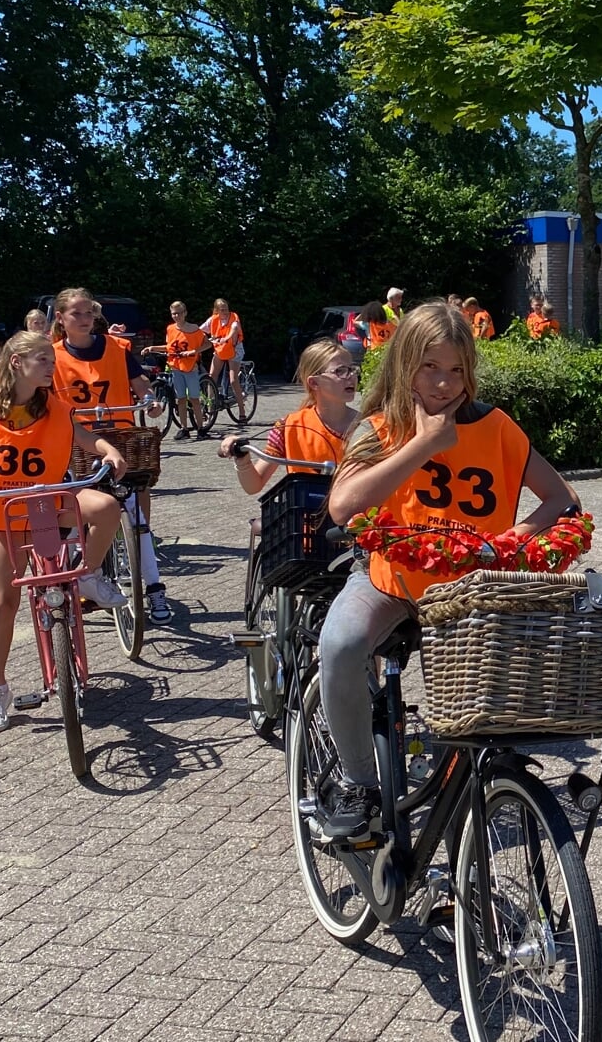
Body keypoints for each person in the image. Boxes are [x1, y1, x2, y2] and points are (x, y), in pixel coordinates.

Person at [312, 301, 580, 840]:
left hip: (467, 594)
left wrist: (513, 539)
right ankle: (357, 779)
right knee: (340, 646)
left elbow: (560, 497)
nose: (443, 383)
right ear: (405, 363)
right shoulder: (380, 427)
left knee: (472, 716)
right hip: (391, 580)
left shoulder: (497, 427)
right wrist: (426, 444)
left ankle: (458, 819)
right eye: (430, 368)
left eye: (456, 370)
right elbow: (342, 507)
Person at [0, 331, 127, 733]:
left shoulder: (55, 406)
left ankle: (90, 574)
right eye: (42, 359)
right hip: (6, 512)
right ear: (16, 363)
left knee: (107, 508)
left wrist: (107, 449)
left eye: (50, 358)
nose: (51, 365)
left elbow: (83, 436)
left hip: (48, 501)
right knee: (2, 602)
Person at [51, 288, 174, 625]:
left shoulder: (118, 349)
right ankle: (77, 572)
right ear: (60, 318)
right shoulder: (53, 355)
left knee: (137, 514)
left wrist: (150, 401)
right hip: (77, 443)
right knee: (76, 509)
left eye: (89, 312)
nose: (85, 319)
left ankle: (153, 586)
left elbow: (140, 385)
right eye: (76, 313)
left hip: (122, 439)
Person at [219, 339, 358, 494]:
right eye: (340, 371)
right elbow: (254, 485)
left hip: (364, 517)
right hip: (308, 515)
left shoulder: (371, 426)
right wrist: (242, 458)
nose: (351, 376)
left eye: (352, 369)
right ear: (314, 383)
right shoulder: (289, 427)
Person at [165, 301, 210, 440]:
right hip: (176, 367)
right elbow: (169, 347)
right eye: (174, 314)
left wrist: (193, 351)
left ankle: (200, 428)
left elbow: (208, 344)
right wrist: (152, 348)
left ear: (185, 313)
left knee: (194, 399)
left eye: (179, 313)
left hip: (190, 367)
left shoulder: (194, 329)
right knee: (181, 399)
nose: (176, 316)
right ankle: (184, 428)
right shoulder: (170, 329)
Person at [205, 298, 244, 413]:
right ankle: (210, 406)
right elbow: (199, 330)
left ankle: (242, 411)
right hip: (221, 350)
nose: (225, 312)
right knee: (211, 376)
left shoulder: (233, 317)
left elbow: (234, 328)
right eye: (222, 310)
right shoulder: (213, 320)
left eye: (226, 309)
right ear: (216, 311)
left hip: (234, 350)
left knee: (233, 380)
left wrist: (226, 338)